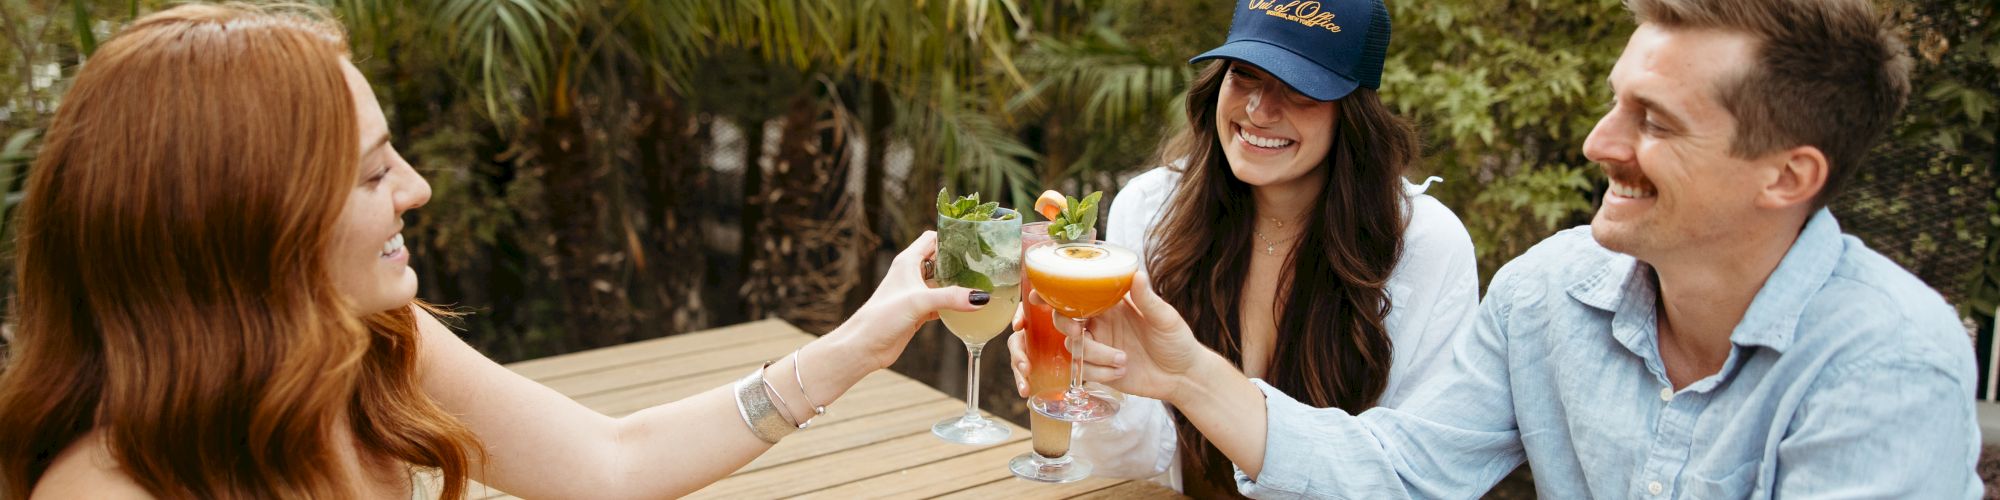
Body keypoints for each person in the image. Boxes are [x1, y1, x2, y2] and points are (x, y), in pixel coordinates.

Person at [0, 4, 990, 498]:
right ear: (240, 221)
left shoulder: (366, 343)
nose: (417, 188)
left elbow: (611, 461)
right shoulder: (105, 484)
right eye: (371, 172)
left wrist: (859, 341)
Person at [1056, 0, 1983, 497]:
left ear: (1786, 176)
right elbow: (1402, 472)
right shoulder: (1549, 293)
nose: (1598, 142)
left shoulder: (1889, 360)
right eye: (1616, 100)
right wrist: (1181, 374)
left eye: (1651, 120)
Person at [1007, 0, 1478, 495]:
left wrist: (1190, 376)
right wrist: (1096, 380)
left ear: (1352, 112)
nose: (1259, 110)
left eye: (1299, 90)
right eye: (1245, 75)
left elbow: (1418, 477)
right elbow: (1137, 458)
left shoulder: (1424, 244)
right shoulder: (1150, 208)